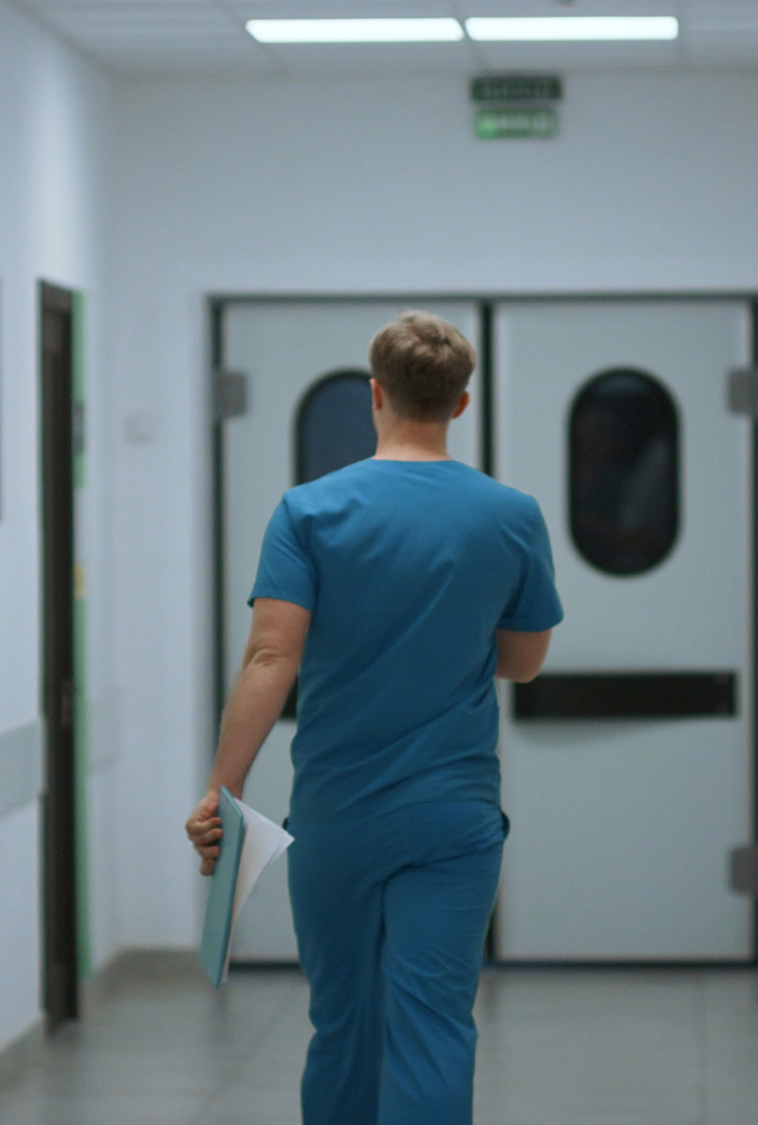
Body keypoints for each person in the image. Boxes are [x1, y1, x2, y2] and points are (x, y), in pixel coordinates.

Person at [185, 310, 563, 1125]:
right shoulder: (511, 514)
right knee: (431, 1030)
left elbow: (269, 659)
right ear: (460, 405)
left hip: (338, 817)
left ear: (375, 395)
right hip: (452, 821)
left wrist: (223, 789)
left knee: (344, 1028)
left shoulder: (309, 512)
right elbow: (525, 659)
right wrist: (447, 647)